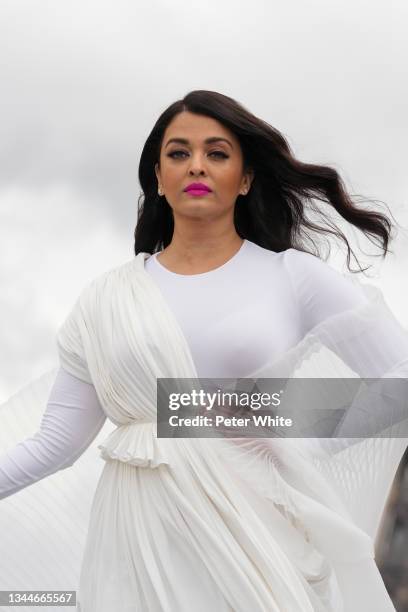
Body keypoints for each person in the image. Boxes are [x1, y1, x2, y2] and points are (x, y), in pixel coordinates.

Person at [1, 90, 408, 611]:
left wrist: (299, 436)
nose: (196, 164)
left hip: (253, 534)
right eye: (178, 153)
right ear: (157, 175)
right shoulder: (106, 300)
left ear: (245, 178)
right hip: (135, 541)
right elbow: (54, 443)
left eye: (217, 153)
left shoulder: (291, 278)